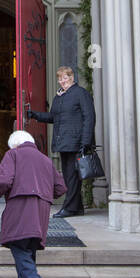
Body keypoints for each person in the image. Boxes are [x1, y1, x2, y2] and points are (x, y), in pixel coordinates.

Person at [0, 130, 66, 278]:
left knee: (18, 245)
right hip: (42, 208)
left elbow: (3, 180)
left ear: (15, 144)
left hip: (21, 205)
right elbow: (60, 188)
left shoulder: (13, 154)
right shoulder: (45, 160)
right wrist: (43, 194)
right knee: (28, 246)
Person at [25, 66, 95, 218]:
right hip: (64, 142)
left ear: (72, 77)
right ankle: (77, 207)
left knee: (72, 176)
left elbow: (89, 118)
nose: (62, 81)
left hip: (77, 142)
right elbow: (53, 117)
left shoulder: (81, 94)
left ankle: (70, 208)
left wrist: (86, 142)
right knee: (70, 175)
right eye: (60, 78)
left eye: (65, 77)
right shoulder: (59, 97)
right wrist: (35, 115)